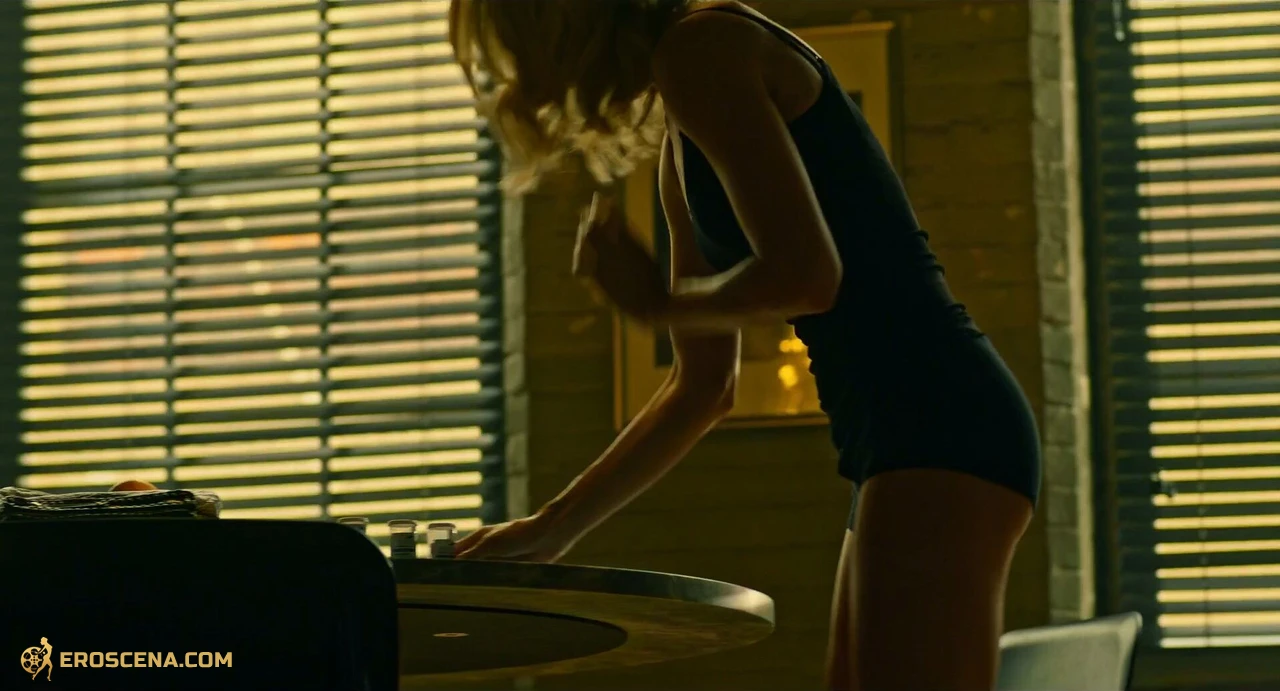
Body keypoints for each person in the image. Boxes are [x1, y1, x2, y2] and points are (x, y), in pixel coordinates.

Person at [447, 2, 1042, 689]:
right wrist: (550, 527)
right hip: (897, 437)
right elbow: (702, 386)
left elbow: (810, 275)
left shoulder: (703, 48)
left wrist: (656, 304)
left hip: (940, 419)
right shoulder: (680, 129)